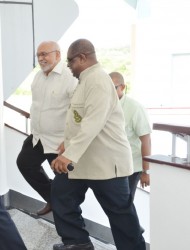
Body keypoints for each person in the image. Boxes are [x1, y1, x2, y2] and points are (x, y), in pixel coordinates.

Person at [51, 39, 146, 250]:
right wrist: (68, 145)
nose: (69, 67)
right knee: (61, 194)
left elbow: (93, 122)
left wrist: (68, 155)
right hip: (84, 160)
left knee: (121, 216)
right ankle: (78, 242)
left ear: (83, 58)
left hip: (107, 164)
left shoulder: (99, 81)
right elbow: (81, 119)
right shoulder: (86, 80)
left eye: (70, 62)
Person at [16, 41, 77, 216]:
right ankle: (51, 199)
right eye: (39, 55)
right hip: (38, 137)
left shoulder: (69, 77)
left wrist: (69, 140)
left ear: (57, 54)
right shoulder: (38, 76)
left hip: (60, 141)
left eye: (45, 54)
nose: (41, 58)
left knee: (65, 185)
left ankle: (71, 227)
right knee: (25, 163)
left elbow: (76, 111)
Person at [109, 72, 151, 200]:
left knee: (125, 203)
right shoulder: (104, 105)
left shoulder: (135, 108)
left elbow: (146, 141)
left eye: (113, 88)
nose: (108, 92)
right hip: (110, 165)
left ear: (123, 87)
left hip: (131, 166)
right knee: (113, 202)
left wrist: (146, 172)